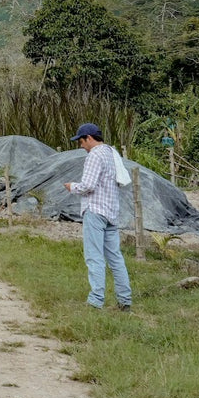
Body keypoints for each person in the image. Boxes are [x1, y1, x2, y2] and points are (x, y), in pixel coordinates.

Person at [64, 122, 132, 311]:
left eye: (81, 141)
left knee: (94, 257)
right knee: (115, 258)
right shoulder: (112, 153)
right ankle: (125, 300)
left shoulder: (94, 155)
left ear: (89, 138)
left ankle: (96, 300)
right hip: (111, 211)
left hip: (95, 210)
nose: (80, 145)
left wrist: (72, 187)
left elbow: (88, 185)